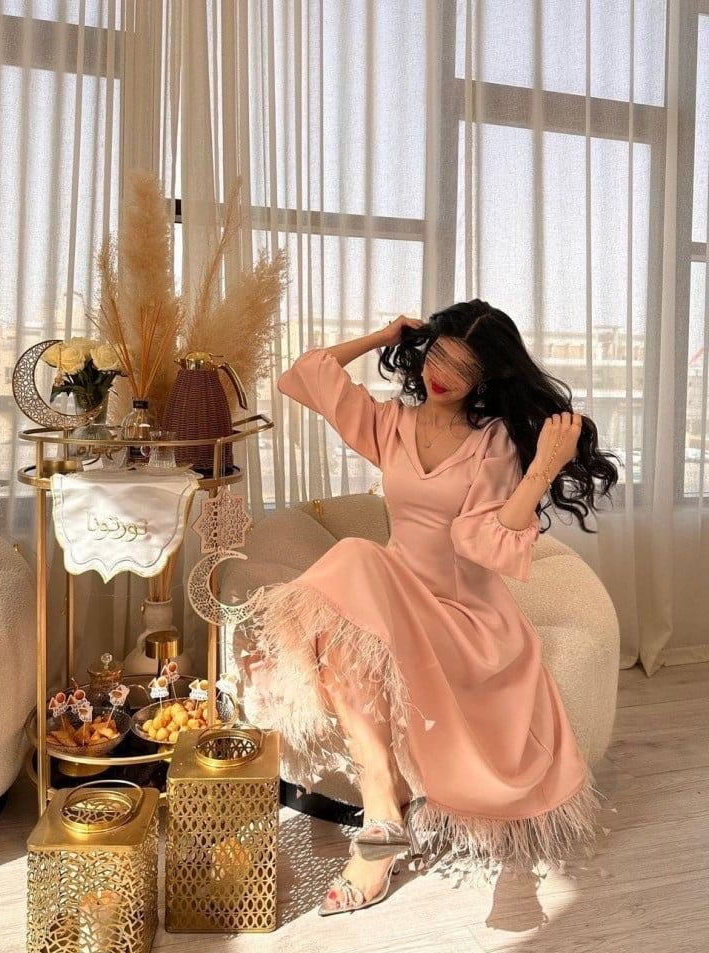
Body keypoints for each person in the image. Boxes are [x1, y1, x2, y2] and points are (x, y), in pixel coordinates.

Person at [234, 299, 620, 916]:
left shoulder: (494, 442)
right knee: (350, 609)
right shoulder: (392, 423)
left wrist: (544, 467)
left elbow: (483, 544)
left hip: (464, 617)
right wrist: (381, 335)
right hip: (393, 598)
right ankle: (382, 805)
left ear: (486, 377)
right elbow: (304, 373)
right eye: (439, 355)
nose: (444, 375)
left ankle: (383, 811)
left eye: (465, 368)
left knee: (355, 564)